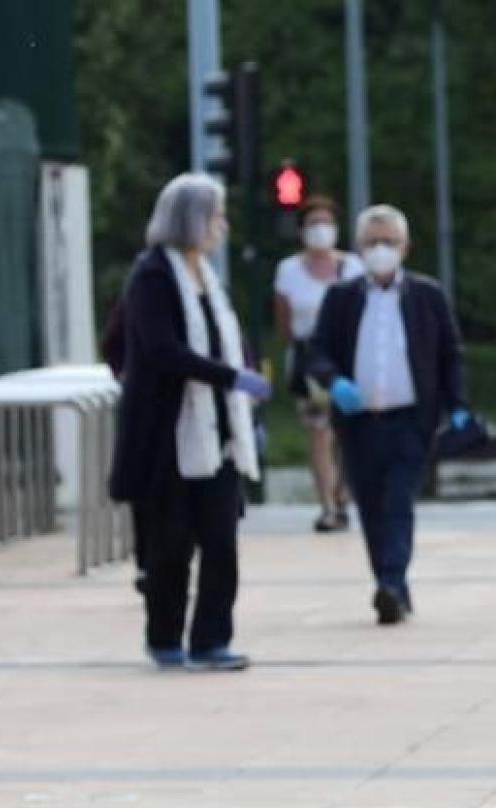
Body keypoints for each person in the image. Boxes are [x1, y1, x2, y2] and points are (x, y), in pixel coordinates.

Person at [108, 173, 273, 671]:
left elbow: (226, 340)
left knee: (221, 542)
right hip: (168, 437)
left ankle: (211, 640)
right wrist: (230, 377)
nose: (221, 226)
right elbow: (162, 350)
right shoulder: (153, 275)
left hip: (218, 435)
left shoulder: (207, 276)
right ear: (192, 219)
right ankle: (164, 635)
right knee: (170, 547)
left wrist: (243, 389)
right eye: (216, 215)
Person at [307, 204, 471, 626]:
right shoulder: (341, 298)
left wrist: (458, 406)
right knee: (370, 505)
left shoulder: (427, 295)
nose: (381, 250)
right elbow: (318, 351)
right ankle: (390, 581)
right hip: (359, 421)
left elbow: (450, 355)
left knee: (399, 500)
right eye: (372, 242)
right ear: (359, 248)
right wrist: (334, 381)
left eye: (389, 242)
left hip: (410, 421)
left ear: (406, 247)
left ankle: (391, 585)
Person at [274, 196, 364, 533]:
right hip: (310, 359)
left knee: (350, 433)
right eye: (313, 223)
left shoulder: (352, 267)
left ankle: (343, 493)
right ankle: (327, 504)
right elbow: (283, 322)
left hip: (348, 359)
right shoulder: (288, 270)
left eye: (326, 222)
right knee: (320, 433)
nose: (321, 230)